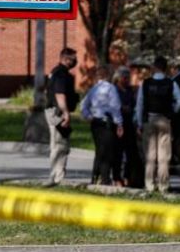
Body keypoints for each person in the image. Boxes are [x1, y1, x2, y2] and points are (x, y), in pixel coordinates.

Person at [134, 56, 180, 193]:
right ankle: (163, 185)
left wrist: (139, 123)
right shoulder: (171, 83)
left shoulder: (145, 84)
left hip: (150, 119)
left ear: (154, 67)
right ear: (165, 68)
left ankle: (150, 185)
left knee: (150, 155)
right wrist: (172, 112)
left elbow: (139, 105)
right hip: (164, 120)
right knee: (164, 156)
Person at [80, 65, 123, 185]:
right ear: (108, 75)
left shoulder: (93, 89)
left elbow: (83, 106)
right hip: (106, 123)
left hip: (95, 123)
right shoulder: (111, 88)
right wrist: (119, 124)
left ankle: (95, 177)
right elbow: (115, 107)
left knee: (99, 151)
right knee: (107, 152)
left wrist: (89, 116)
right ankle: (105, 179)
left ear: (98, 76)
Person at [45, 47, 79, 186]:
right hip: (58, 112)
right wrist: (66, 113)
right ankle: (56, 177)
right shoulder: (61, 74)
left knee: (57, 145)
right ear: (66, 59)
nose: (75, 62)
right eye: (73, 59)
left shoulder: (55, 72)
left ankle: (56, 176)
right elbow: (60, 94)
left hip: (53, 111)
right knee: (60, 146)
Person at [112, 66, 141, 187]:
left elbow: (135, 104)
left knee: (131, 153)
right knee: (117, 153)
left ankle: (129, 177)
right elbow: (112, 105)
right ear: (118, 78)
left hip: (129, 124)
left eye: (128, 77)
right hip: (118, 124)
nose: (127, 80)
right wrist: (122, 107)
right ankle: (117, 178)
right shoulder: (113, 90)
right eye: (125, 77)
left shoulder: (130, 90)